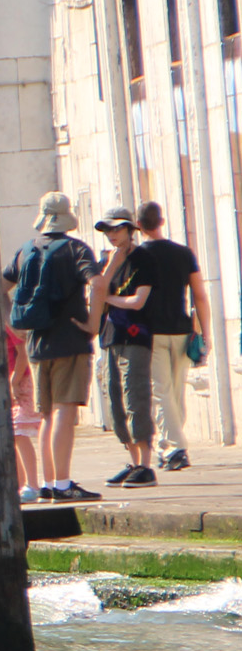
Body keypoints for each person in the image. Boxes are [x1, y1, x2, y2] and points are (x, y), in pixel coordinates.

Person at [4, 190, 101, 501]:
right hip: (70, 341)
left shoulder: (26, 250)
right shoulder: (76, 249)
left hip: (36, 344)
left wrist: (12, 326)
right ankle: (62, 483)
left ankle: (47, 483)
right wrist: (93, 323)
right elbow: (98, 283)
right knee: (64, 411)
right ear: (67, 218)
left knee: (46, 414)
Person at [137, 200, 208, 470]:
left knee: (161, 391)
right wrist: (204, 332)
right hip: (181, 329)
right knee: (176, 391)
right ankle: (170, 446)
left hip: (151, 332)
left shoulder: (137, 256)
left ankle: (175, 448)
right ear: (162, 222)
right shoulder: (183, 253)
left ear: (138, 225)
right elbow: (199, 296)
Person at [93, 207, 157, 487]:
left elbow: (138, 301)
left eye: (117, 229)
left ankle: (145, 465)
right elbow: (94, 297)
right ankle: (132, 461)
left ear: (131, 230)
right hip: (110, 335)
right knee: (114, 399)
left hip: (135, 335)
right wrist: (106, 284)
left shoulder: (144, 258)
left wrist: (108, 298)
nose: (111, 235)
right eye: (108, 230)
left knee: (135, 394)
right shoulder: (105, 261)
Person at [5, 324, 40, 495]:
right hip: (12, 380)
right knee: (13, 435)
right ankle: (20, 484)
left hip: (21, 380)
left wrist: (14, 380)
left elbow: (23, 351)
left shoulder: (7, 322)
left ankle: (32, 484)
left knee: (20, 433)